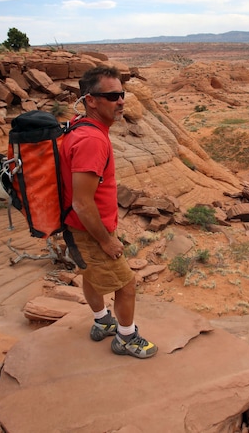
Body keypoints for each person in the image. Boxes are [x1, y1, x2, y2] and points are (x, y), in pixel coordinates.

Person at [60, 66, 157, 359]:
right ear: (91, 100)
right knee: (126, 285)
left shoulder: (80, 126)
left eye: (122, 94)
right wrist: (106, 240)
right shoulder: (92, 140)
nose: (121, 101)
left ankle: (102, 323)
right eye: (113, 96)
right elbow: (83, 202)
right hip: (89, 230)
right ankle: (126, 339)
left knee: (91, 276)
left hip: (78, 226)